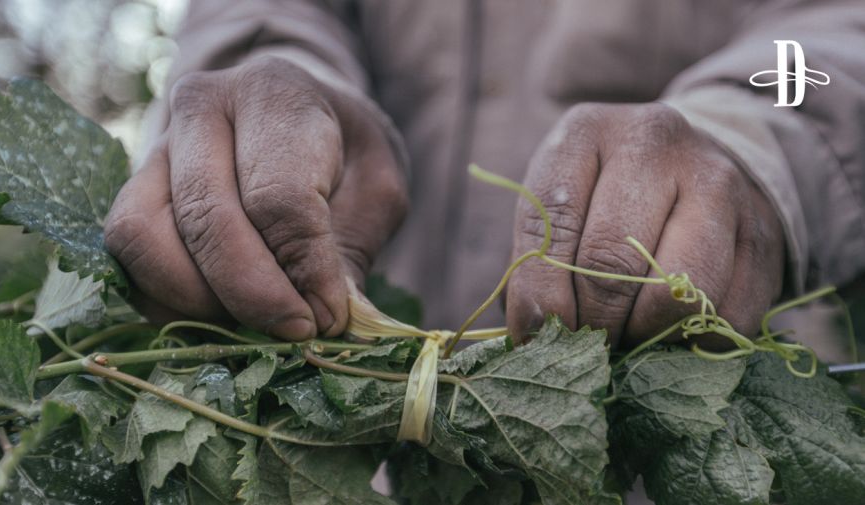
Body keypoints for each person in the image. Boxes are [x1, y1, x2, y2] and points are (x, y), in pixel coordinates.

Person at [104, 0, 865, 350]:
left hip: (669, 447)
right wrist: (264, 105)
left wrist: (746, 143)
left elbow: (837, 31)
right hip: (346, 435)